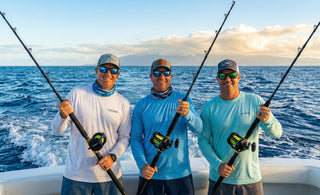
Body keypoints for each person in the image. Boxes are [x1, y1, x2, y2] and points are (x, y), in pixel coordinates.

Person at [198, 59, 282, 195]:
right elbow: (203, 140)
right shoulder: (209, 107)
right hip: (219, 179)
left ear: (238, 77)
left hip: (251, 179)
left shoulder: (255, 101)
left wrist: (268, 120)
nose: (227, 80)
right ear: (217, 79)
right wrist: (218, 164)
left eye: (231, 75)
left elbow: (277, 133)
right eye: (222, 76)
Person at [51, 54, 131, 195]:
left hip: (109, 176)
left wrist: (112, 157)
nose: (108, 73)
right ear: (96, 70)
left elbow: (125, 138)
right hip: (76, 176)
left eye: (113, 70)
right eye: (104, 69)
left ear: (118, 74)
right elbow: (56, 130)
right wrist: (62, 115)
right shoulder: (77, 94)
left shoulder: (123, 103)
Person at [130, 58, 203, 195]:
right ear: (151, 76)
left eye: (166, 73)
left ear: (171, 76)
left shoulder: (184, 100)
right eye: (157, 73)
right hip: (151, 175)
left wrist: (188, 114)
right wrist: (142, 165)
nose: (161, 77)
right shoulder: (141, 105)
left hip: (181, 174)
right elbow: (135, 139)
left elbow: (198, 128)